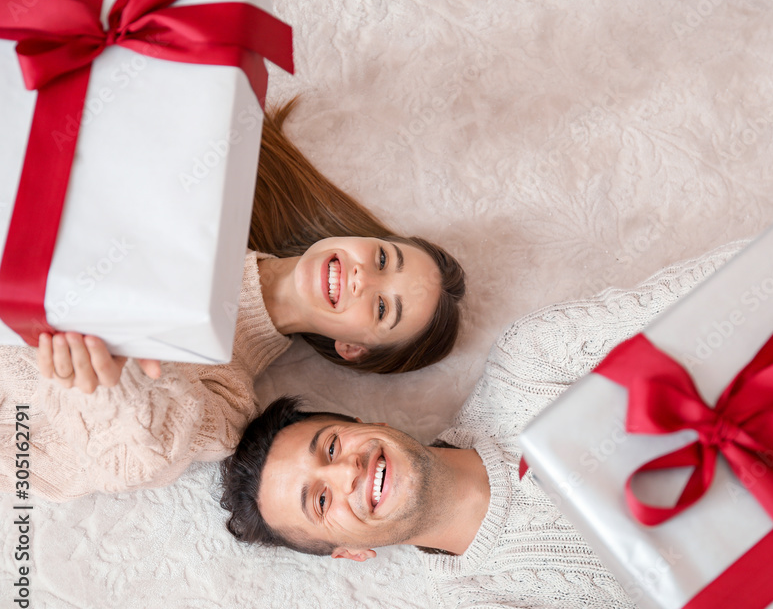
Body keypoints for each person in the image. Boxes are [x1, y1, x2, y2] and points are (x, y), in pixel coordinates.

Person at [220, 241, 747, 609]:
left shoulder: (531, 364)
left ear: (365, 424)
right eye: (320, 500)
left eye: (330, 446)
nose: (347, 471)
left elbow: (714, 296)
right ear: (348, 554)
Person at [0, 98, 466, 502]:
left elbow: (143, 453)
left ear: (353, 348)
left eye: (383, 308)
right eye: (384, 258)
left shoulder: (228, 400)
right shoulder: (202, 198)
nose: (365, 277)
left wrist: (113, 380)